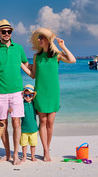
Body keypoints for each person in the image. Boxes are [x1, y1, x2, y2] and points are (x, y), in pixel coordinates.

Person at [0, 19, 33, 165]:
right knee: (2, 124)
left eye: (9, 31)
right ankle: (7, 154)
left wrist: (44, 63)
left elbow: (26, 65)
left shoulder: (18, 48)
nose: (6, 34)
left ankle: (16, 155)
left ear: (11, 32)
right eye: (3, 31)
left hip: (17, 92)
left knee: (16, 122)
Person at [29, 28, 76, 162]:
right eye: (38, 38)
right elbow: (33, 75)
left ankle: (47, 148)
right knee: (42, 122)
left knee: (50, 123)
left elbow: (72, 60)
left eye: (41, 38)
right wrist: (20, 64)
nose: (39, 40)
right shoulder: (36, 56)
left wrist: (63, 46)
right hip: (40, 92)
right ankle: (45, 150)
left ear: (48, 40)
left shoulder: (57, 55)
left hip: (53, 92)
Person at [20, 84, 38, 162]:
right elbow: (14, 109)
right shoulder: (21, 104)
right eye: (26, 95)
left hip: (33, 128)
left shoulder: (34, 104)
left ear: (33, 96)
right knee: (24, 144)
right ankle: (24, 156)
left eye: (30, 95)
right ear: (23, 95)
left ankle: (32, 156)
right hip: (24, 129)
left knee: (33, 144)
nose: (28, 97)